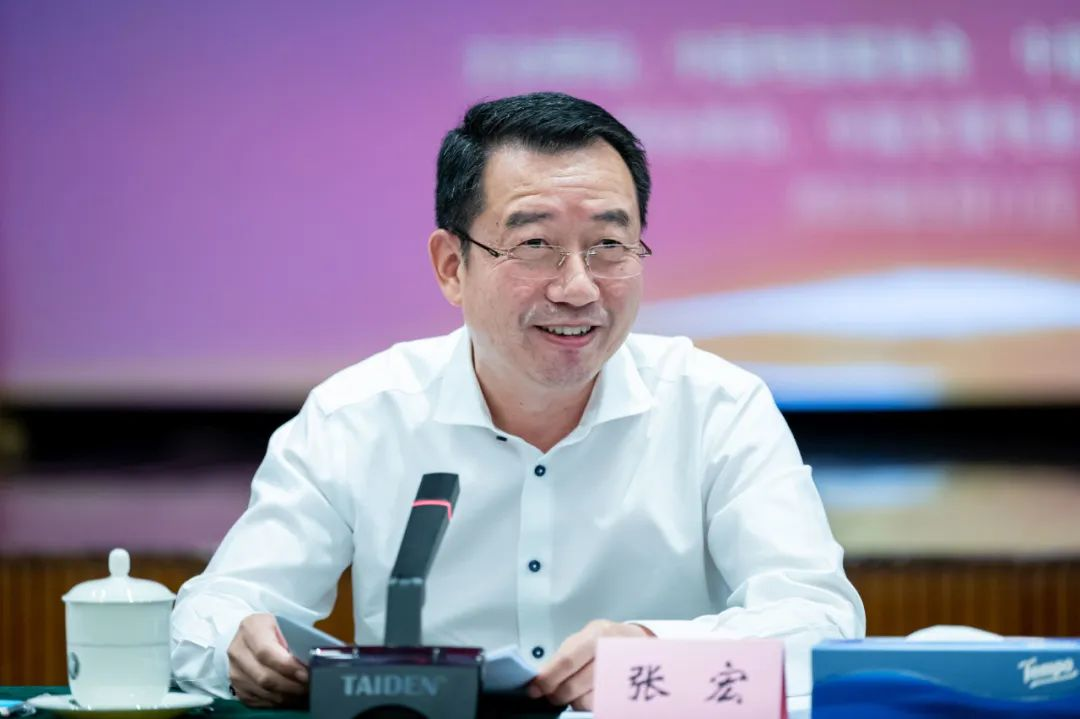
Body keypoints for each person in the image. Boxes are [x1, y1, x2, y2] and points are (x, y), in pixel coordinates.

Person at [170, 91, 865, 710]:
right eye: (535, 245)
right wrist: (239, 643)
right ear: (452, 266)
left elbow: (820, 618)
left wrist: (653, 649)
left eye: (609, 245)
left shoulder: (718, 408)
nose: (578, 287)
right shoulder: (358, 415)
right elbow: (214, 610)